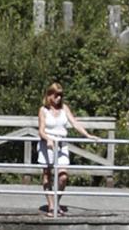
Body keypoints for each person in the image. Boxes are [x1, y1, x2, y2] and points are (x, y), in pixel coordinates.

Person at [37, 82, 92, 217]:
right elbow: (41, 130)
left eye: (60, 96)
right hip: (48, 144)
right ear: (49, 95)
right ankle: (51, 205)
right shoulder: (43, 110)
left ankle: (56, 203)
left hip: (61, 144)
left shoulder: (64, 109)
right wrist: (48, 139)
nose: (59, 98)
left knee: (63, 176)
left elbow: (74, 123)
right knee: (47, 174)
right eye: (56, 96)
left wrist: (87, 135)